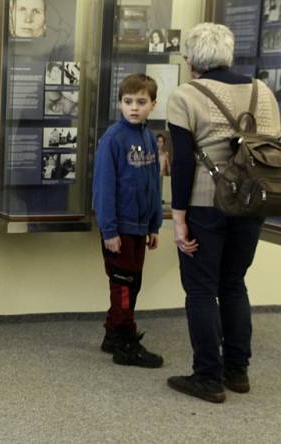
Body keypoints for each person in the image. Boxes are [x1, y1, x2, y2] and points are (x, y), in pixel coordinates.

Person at [165, 23, 281, 403]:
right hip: (253, 201)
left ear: (191, 58)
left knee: (200, 289)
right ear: (229, 53)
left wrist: (178, 218)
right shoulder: (263, 91)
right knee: (234, 284)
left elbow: (182, 162)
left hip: (205, 202)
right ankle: (237, 371)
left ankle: (208, 377)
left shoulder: (185, 95)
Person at [92, 73, 163, 369]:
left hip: (140, 226)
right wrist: (109, 229)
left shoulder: (148, 138)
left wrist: (154, 224)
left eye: (141, 102)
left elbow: (154, 184)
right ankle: (124, 341)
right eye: (128, 101)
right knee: (122, 284)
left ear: (153, 105)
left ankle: (112, 331)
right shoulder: (113, 139)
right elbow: (103, 188)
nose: (134, 107)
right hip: (118, 229)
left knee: (133, 283)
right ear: (120, 103)